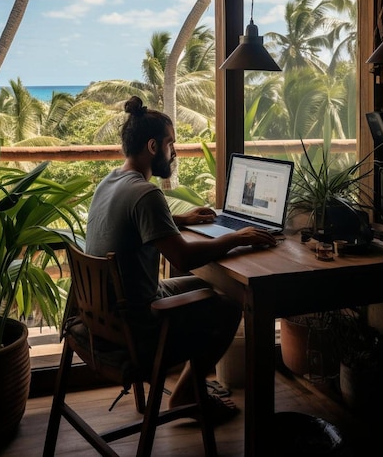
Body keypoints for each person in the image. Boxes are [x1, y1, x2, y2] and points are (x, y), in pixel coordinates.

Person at [85, 95, 277, 423]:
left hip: (101, 319)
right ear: (152, 147)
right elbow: (183, 257)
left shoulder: (112, 181)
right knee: (231, 305)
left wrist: (182, 221)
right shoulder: (147, 193)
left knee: (208, 287)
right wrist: (237, 237)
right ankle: (187, 391)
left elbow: (135, 224)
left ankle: (192, 389)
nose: (174, 151)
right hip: (138, 327)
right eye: (171, 143)